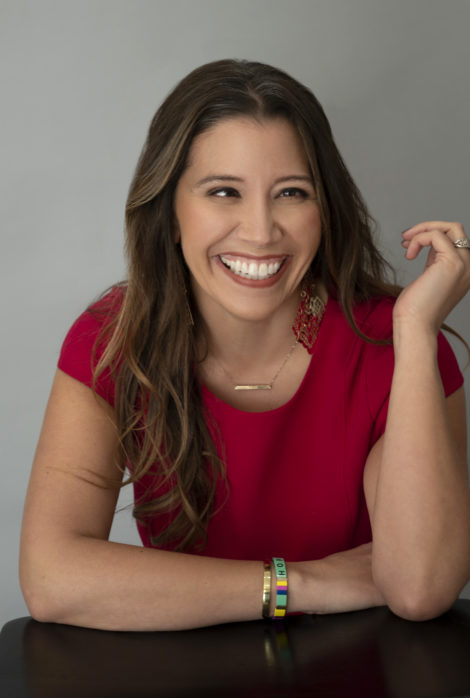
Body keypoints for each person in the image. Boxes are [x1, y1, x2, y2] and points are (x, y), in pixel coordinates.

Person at [19, 59, 470, 632]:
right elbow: (52, 578)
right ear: (171, 213)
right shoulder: (112, 340)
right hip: (185, 678)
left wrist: (414, 331)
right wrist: (300, 583)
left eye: (291, 193)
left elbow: (419, 586)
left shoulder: (392, 346)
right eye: (224, 191)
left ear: (323, 210)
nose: (260, 230)